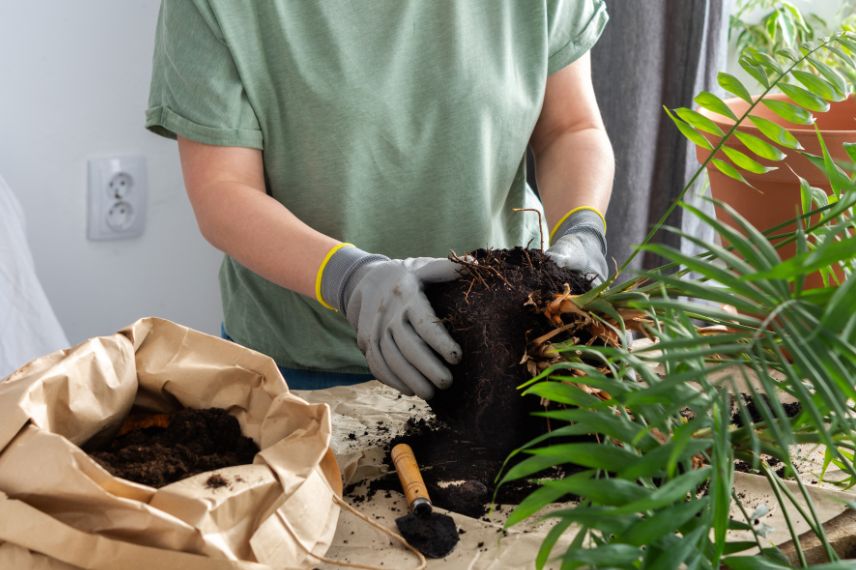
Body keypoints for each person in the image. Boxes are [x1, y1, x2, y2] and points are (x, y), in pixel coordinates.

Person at [146, 0, 614, 398]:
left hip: (510, 347)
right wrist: (348, 278)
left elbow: (569, 128)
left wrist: (582, 228)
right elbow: (223, 190)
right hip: (303, 371)